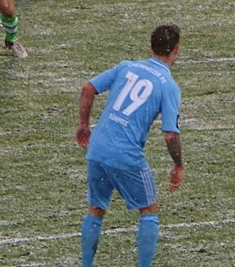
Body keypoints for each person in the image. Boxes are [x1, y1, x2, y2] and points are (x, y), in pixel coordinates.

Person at [75, 24, 184, 267]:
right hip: (126, 155)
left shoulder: (126, 66)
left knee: (96, 209)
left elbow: (88, 88)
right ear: (176, 50)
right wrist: (178, 164)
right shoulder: (169, 86)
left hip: (97, 149)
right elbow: (169, 134)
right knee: (149, 210)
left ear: (150, 47)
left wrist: (84, 125)